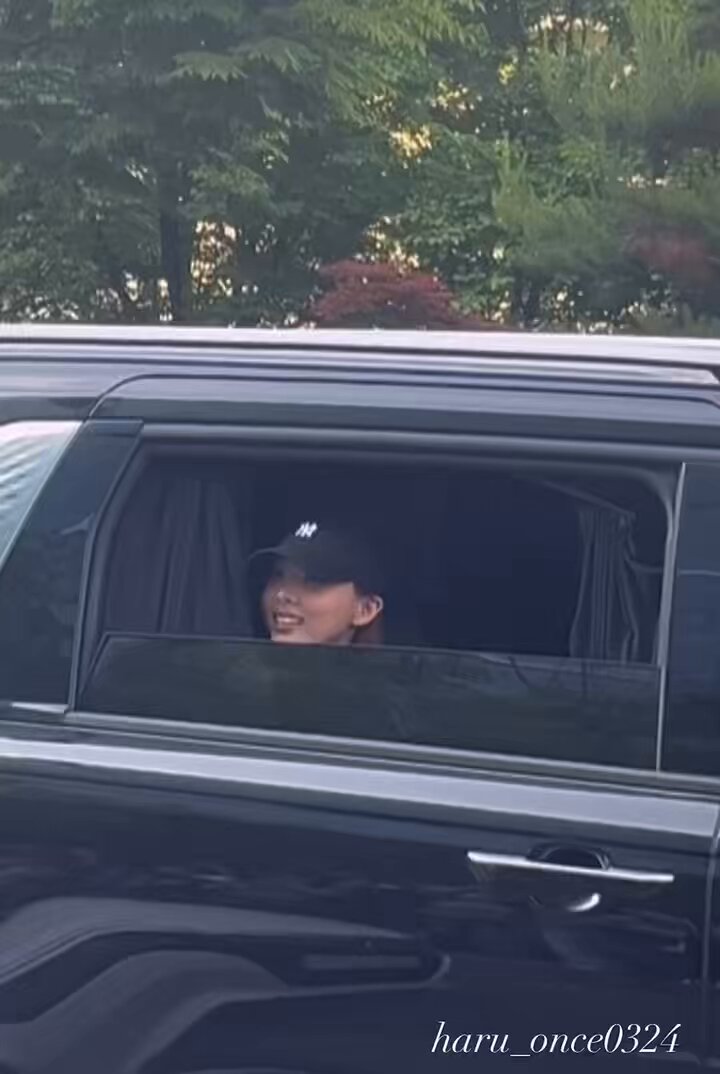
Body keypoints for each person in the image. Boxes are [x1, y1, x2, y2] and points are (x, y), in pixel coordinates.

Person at [251, 520, 384, 646]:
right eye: (278, 575)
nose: (282, 595)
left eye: (313, 581)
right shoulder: (241, 662)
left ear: (365, 609)